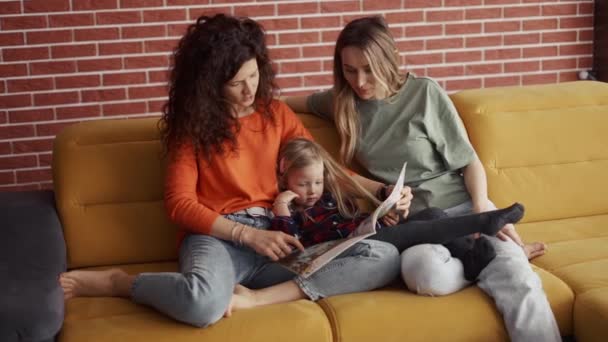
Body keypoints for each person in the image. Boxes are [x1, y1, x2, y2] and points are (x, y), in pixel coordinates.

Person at [58, 13, 403, 328]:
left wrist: (382, 192)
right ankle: (120, 282)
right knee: (202, 305)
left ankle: (255, 299)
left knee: (382, 256)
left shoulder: (276, 114)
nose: (250, 89)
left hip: (279, 239)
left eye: (254, 76)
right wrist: (248, 235)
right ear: (209, 83)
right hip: (220, 241)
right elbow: (179, 204)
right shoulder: (191, 129)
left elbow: (327, 167)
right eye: (237, 82)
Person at [285, 15, 560, 342]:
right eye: (349, 70)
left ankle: (503, 262)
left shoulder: (424, 93)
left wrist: (479, 207)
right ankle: (481, 265)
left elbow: (469, 162)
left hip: (460, 209)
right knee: (424, 275)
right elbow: (284, 106)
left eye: (369, 69)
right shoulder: (342, 103)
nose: (359, 81)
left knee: (521, 283)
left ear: (389, 61)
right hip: (415, 227)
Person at [267, 138, 525, 281]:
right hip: (351, 253)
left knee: (433, 214)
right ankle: (482, 221)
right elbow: (291, 248)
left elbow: (351, 221)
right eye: (303, 184)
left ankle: (469, 260)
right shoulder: (287, 212)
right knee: (422, 227)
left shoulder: (328, 197)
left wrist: (380, 219)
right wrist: (281, 206)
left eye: (318, 182)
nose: (312, 190)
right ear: (285, 180)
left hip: (368, 235)